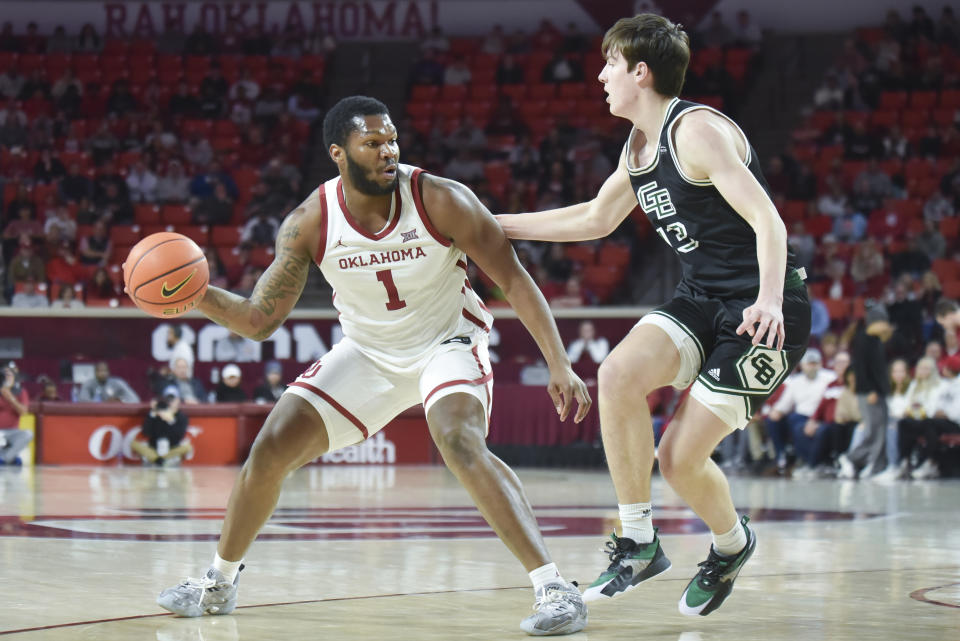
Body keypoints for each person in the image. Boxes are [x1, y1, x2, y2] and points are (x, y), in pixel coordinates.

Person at [157, 95, 591, 636]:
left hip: (447, 341)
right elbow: (258, 320)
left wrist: (559, 362)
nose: (388, 151)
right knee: (269, 449)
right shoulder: (309, 223)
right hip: (367, 351)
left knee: (457, 440)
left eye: (391, 140)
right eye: (372, 143)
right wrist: (195, 295)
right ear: (339, 153)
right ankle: (218, 583)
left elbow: (517, 281)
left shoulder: (443, 200)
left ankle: (554, 589)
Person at [496, 14, 810, 615]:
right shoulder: (638, 144)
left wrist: (768, 298)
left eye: (611, 63)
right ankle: (639, 541)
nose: (600, 74)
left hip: (765, 307)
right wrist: (491, 226)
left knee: (677, 460)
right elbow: (594, 218)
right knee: (616, 375)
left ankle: (731, 543)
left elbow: (769, 220)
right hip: (701, 297)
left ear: (641, 72)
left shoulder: (695, 131)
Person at [838, 305, 892, 479]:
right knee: (873, 430)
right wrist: (870, 390)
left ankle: (875, 466)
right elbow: (861, 369)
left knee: (880, 430)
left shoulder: (877, 341)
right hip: (869, 393)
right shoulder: (863, 340)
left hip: (879, 392)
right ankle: (852, 459)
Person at [131, 385, 193, 466]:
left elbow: (180, 436)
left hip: (172, 448)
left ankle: (158, 459)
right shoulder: (156, 414)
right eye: (168, 399)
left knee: (187, 447)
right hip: (154, 448)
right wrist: (152, 414)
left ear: (178, 400)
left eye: (172, 399)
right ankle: (159, 459)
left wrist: (171, 421)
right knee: (134, 444)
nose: (170, 402)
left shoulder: (181, 417)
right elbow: (146, 432)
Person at [0, 363, 32, 465]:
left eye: (9, 375)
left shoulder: (21, 392)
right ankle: (9, 459)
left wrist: (10, 397)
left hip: (13, 432)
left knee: (28, 434)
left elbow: (24, 412)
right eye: (4, 375)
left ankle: (5, 459)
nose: (7, 378)